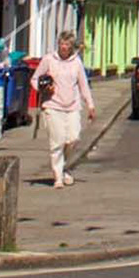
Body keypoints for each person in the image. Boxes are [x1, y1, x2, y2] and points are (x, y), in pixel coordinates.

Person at [31, 31, 96, 188]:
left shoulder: (76, 62)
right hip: (53, 105)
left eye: (67, 44)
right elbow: (34, 79)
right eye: (61, 44)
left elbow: (83, 85)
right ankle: (58, 176)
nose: (64, 47)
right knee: (57, 141)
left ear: (71, 46)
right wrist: (42, 88)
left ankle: (64, 167)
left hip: (73, 105)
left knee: (73, 138)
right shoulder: (49, 59)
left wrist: (90, 105)